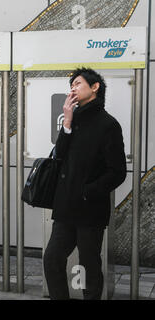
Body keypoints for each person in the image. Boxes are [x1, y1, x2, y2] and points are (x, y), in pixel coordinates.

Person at [43, 68, 127, 300]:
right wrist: (67, 122)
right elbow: (58, 156)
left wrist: (87, 192)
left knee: (89, 264)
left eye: (78, 83)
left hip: (90, 209)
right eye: (71, 84)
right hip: (65, 209)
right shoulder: (72, 120)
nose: (73, 87)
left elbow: (118, 172)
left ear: (95, 87)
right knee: (52, 258)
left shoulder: (108, 125)